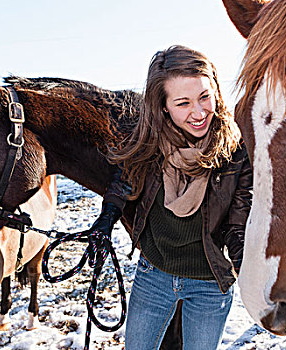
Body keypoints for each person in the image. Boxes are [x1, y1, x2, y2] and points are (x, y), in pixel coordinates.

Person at [92, 45, 252, 350]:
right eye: (183, 103)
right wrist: (105, 221)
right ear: (164, 106)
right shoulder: (149, 142)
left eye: (205, 96)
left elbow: (237, 223)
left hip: (208, 284)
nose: (199, 112)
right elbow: (123, 182)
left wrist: (245, 268)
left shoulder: (236, 152)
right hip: (153, 276)